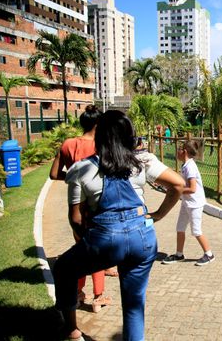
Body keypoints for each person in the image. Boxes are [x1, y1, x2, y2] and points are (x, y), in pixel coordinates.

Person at [53, 110, 184, 341]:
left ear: (99, 136)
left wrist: (91, 240)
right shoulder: (142, 161)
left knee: (64, 268)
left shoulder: (81, 169)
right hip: (143, 240)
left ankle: (72, 331)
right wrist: (157, 216)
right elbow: (179, 185)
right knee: (134, 307)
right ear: (129, 135)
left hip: (104, 240)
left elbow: (75, 218)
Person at [49, 105, 114, 313]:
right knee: (97, 252)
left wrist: (72, 178)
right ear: (98, 124)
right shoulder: (101, 145)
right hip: (98, 207)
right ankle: (98, 296)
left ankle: (77, 293)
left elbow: (53, 174)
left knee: (81, 250)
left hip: (76, 207)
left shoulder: (67, 144)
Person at [162, 139, 215, 266]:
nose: (177, 151)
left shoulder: (190, 167)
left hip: (195, 204)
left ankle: (209, 254)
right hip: (187, 203)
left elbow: (192, 188)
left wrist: (176, 191)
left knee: (196, 231)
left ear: (184, 151)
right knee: (180, 228)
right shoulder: (185, 165)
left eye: (179, 149)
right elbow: (181, 184)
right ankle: (179, 254)